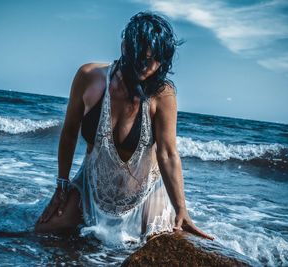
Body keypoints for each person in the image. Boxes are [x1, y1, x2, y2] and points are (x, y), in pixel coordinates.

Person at [35, 11, 214, 243]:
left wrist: (182, 209)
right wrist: (61, 184)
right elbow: (69, 133)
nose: (146, 66)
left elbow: (168, 153)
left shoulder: (162, 93)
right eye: (140, 56)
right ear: (124, 47)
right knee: (43, 232)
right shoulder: (89, 77)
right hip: (93, 186)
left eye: (154, 60)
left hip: (145, 194)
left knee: (160, 245)